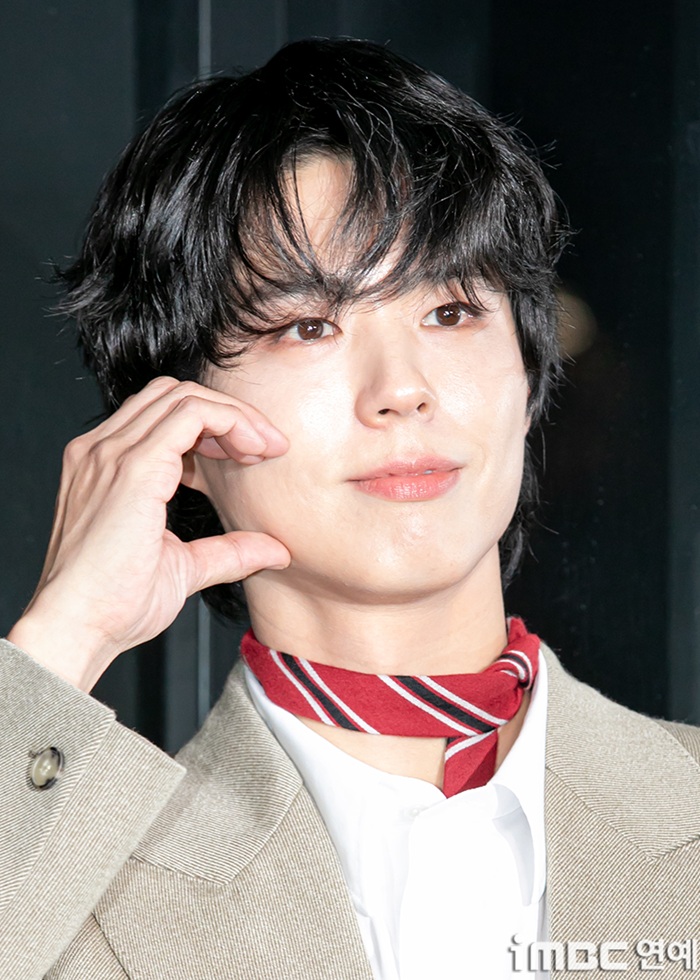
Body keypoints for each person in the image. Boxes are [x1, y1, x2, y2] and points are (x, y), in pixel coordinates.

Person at [2, 36, 699, 980]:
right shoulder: (65, 893)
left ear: (529, 374)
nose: (402, 390)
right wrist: (62, 639)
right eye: (308, 326)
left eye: (450, 312)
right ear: (183, 430)